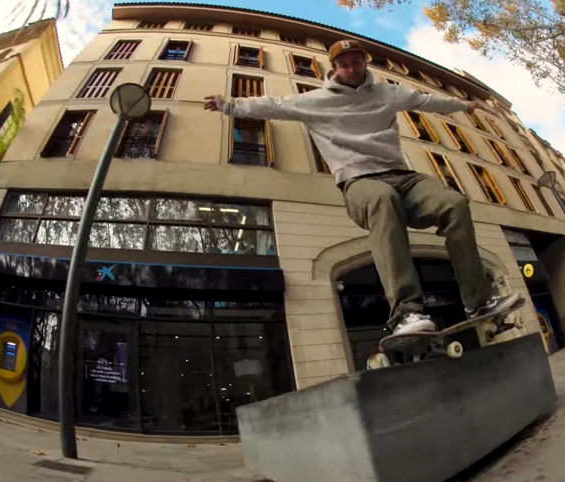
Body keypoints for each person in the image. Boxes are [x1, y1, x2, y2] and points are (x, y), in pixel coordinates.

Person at [204, 39, 521, 336]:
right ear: (334, 69)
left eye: (357, 62)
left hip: (404, 178)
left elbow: (425, 101)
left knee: (455, 204)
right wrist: (228, 105)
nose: (352, 69)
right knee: (383, 199)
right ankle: (407, 312)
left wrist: (463, 106)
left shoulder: (387, 93)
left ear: (364, 63)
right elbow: (273, 105)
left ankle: (478, 301)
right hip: (359, 183)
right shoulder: (314, 102)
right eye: (345, 65)